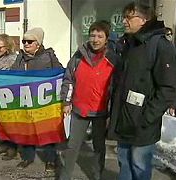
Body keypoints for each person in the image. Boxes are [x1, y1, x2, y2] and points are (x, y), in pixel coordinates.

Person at [107, 2, 176, 180]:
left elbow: (167, 88)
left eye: (129, 17)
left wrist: (147, 117)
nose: (124, 21)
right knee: (124, 161)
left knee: (139, 165)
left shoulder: (161, 46)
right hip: (124, 118)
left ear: (144, 20)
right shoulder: (128, 43)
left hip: (143, 122)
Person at [59, 21, 120, 180]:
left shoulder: (113, 59)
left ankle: (97, 175)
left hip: (101, 111)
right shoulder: (78, 56)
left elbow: (116, 88)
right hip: (80, 109)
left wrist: (112, 113)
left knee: (99, 147)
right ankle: (65, 176)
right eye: (93, 35)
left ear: (106, 39)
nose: (95, 39)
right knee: (72, 146)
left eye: (100, 36)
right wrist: (66, 102)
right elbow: (69, 80)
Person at [11, 27, 63, 171]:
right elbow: (11, 75)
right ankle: (27, 157)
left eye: (29, 41)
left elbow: (59, 73)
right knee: (27, 131)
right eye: (24, 41)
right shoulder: (20, 57)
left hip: (44, 102)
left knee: (47, 130)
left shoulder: (49, 56)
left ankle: (51, 160)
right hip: (26, 100)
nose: (26, 44)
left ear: (38, 43)